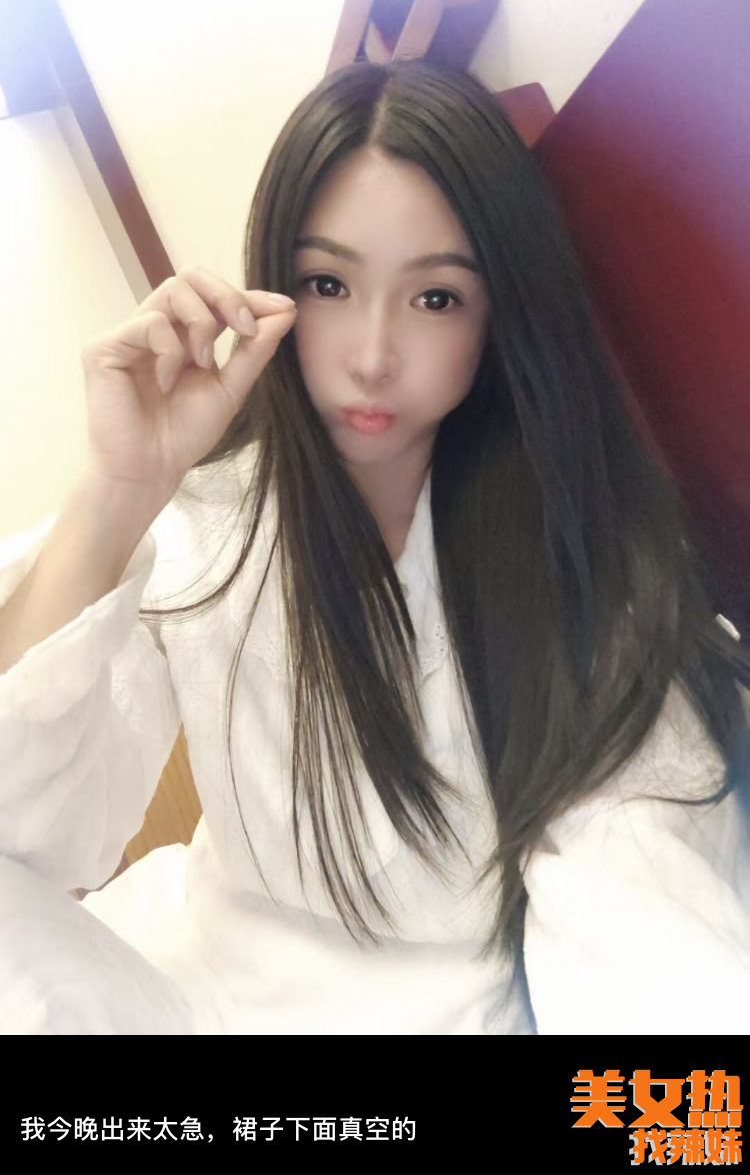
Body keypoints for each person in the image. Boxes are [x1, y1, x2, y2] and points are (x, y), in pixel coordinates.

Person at [1, 57, 749, 1036]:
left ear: (497, 315)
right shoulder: (215, 516)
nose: (370, 355)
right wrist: (117, 491)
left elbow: (645, 932)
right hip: (193, 987)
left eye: (435, 297)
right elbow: (24, 824)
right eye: (329, 284)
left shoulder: (577, 574)